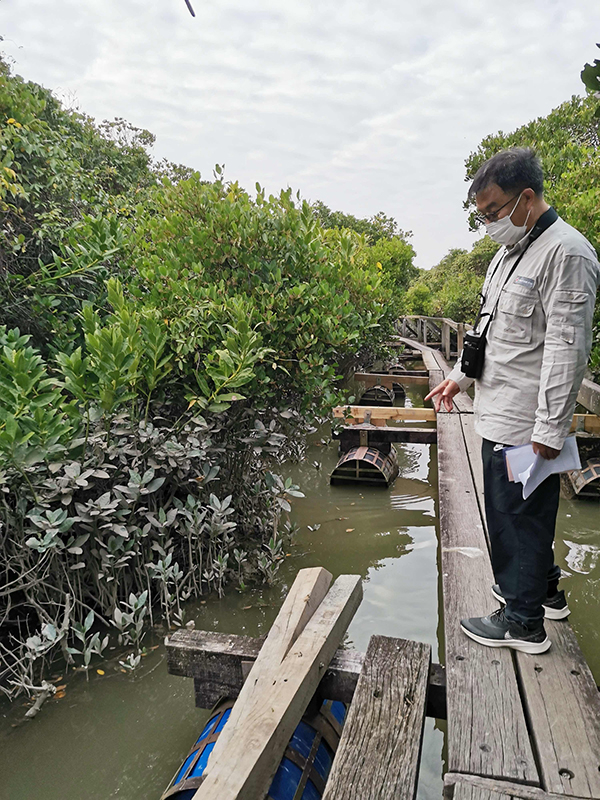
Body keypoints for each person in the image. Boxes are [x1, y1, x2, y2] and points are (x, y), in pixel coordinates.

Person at [426, 147, 600, 654]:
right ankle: (544, 593)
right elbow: (489, 332)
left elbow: (569, 350)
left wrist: (549, 430)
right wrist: (457, 378)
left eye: (493, 211)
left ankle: (522, 623)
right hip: (496, 411)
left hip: (527, 423)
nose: (488, 224)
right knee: (521, 514)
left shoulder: (567, 253)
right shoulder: (510, 253)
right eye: (480, 215)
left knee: (515, 519)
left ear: (526, 198)